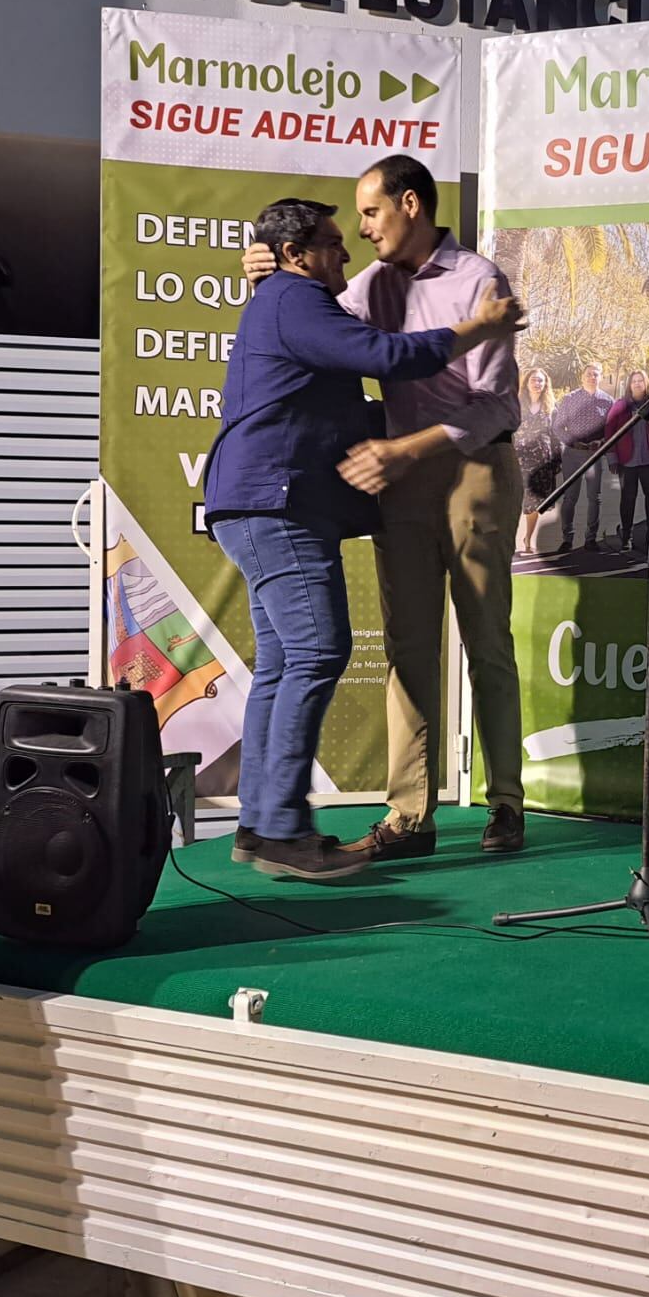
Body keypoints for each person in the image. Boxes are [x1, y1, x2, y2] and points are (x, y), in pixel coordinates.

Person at [207, 199, 523, 879]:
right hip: (277, 503)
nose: (347, 252)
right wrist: (479, 328)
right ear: (295, 252)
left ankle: (262, 826)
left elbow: (348, 394)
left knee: (284, 663)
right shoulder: (296, 297)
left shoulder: (288, 294)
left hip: (261, 503)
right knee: (318, 651)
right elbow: (383, 353)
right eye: (332, 242)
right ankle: (283, 829)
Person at [551, 361, 614, 552]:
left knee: (595, 498)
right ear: (582, 376)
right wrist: (572, 442)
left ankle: (590, 539)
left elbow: (611, 430)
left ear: (601, 377)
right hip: (572, 454)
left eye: (596, 374)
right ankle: (567, 539)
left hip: (594, 456)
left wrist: (602, 441)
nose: (592, 377)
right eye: (589, 374)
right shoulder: (569, 399)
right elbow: (558, 427)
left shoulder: (608, 401)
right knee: (570, 498)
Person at [605, 370, 649, 552]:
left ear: (646, 383)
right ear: (629, 384)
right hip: (627, 462)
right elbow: (609, 432)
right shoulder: (620, 406)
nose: (637, 383)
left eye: (640, 380)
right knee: (628, 499)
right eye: (634, 381)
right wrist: (612, 458)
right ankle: (627, 535)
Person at [513, 368, 559, 558]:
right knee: (516, 500)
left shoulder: (551, 407)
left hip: (542, 460)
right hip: (519, 458)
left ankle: (528, 538)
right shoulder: (517, 404)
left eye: (541, 381)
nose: (537, 384)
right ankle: (511, 538)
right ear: (527, 382)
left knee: (534, 503)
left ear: (545, 384)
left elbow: (555, 435)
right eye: (534, 380)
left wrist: (556, 461)